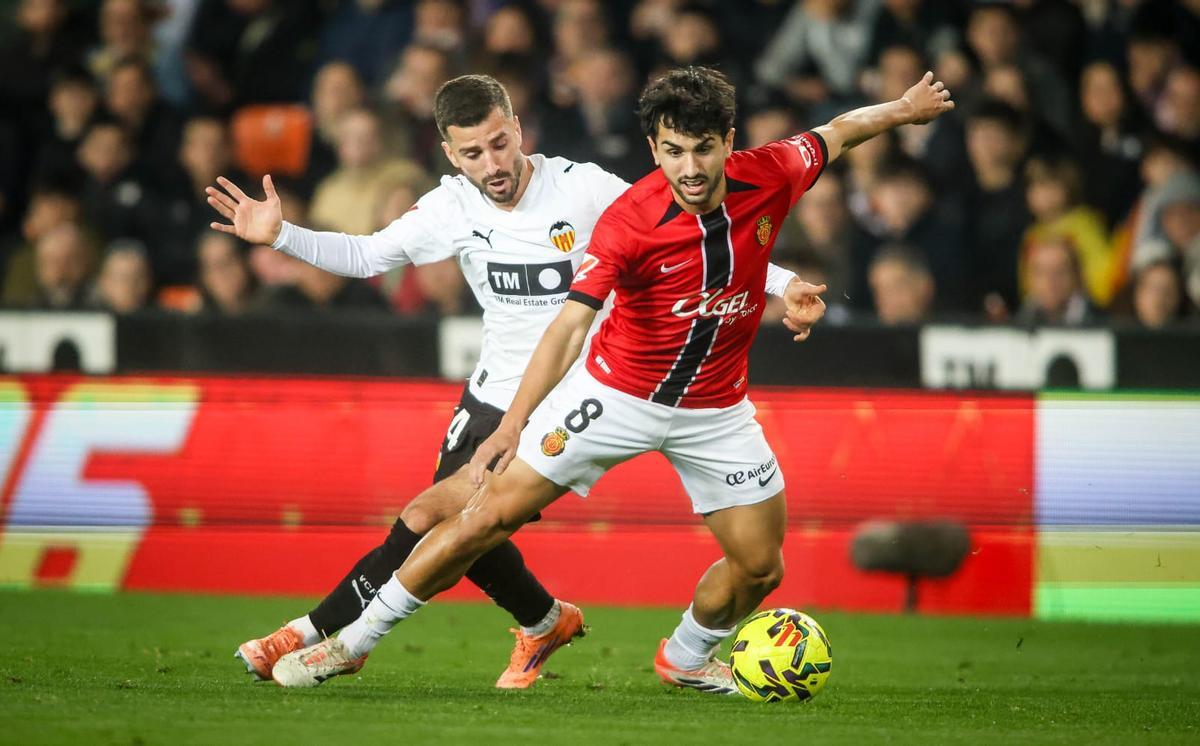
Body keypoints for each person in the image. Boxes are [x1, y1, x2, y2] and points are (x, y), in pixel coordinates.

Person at [269, 66, 953, 691]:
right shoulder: (629, 220)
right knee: (480, 518)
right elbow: (568, 327)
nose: (690, 168)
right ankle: (350, 642)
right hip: (613, 396)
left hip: (716, 411)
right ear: (655, 151)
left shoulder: (773, 171)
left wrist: (905, 109)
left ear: (729, 142)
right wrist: (512, 427)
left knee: (760, 567)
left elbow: (837, 131)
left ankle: (683, 660)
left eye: (705, 148)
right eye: (674, 151)